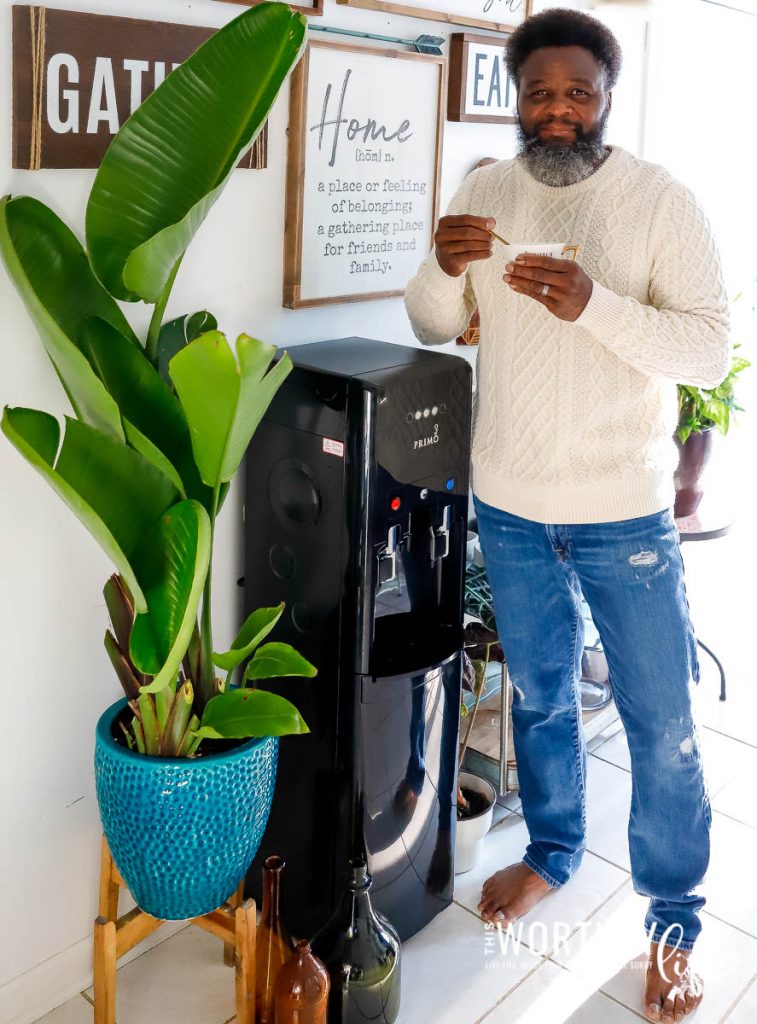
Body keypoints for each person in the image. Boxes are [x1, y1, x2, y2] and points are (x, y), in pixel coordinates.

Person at [403, 7, 731, 1023]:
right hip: (508, 506)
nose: (556, 110)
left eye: (576, 92)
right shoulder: (483, 191)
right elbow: (433, 321)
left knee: (661, 724)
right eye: (538, 92)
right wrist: (440, 264)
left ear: (605, 96)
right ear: (516, 96)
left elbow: (706, 349)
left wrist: (594, 304)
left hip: (623, 513)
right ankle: (551, 851)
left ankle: (672, 923)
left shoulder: (658, 200)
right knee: (541, 699)